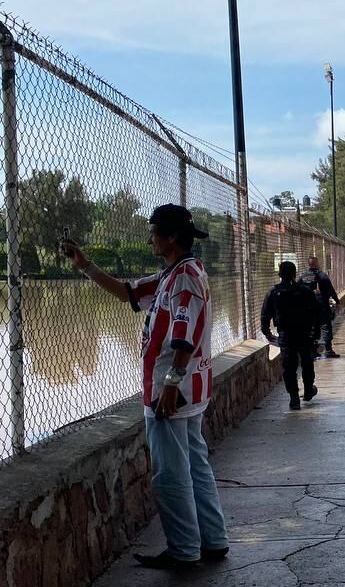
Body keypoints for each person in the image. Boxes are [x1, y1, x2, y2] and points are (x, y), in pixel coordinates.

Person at [62, 204, 228, 571]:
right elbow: (127, 293)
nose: (149, 239)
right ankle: (213, 540)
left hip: (171, 393)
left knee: (170, 475)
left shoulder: (182, 279)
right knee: (195, 466)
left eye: (153, 233)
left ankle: (184, 551)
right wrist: (85, 265)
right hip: (189, 390)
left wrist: (170, 383)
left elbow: (184, 336)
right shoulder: (178, 273)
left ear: (171, 237)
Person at [261, 260, 326, 410]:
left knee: (289, 368)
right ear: (295, 274)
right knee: (307, 363)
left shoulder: (273, 293)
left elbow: (265, 316)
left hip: (286, 335)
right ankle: (308, 390)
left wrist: (267, 332)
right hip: (304, 334)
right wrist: (316, 333)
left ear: (279, 274)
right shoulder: (305, 291)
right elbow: (317, 313)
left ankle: (294, 398)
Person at [299, 255, 341, 359]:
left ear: (309, 264)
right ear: (316, 264)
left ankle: (313, 352)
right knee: (326, 327)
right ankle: (328, 350)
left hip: (308, 308)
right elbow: (331, 290)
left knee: (312, 328)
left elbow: (297, 291)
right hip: (322, 306)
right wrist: (337, 301)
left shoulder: (303, 277)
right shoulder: (322, 276)